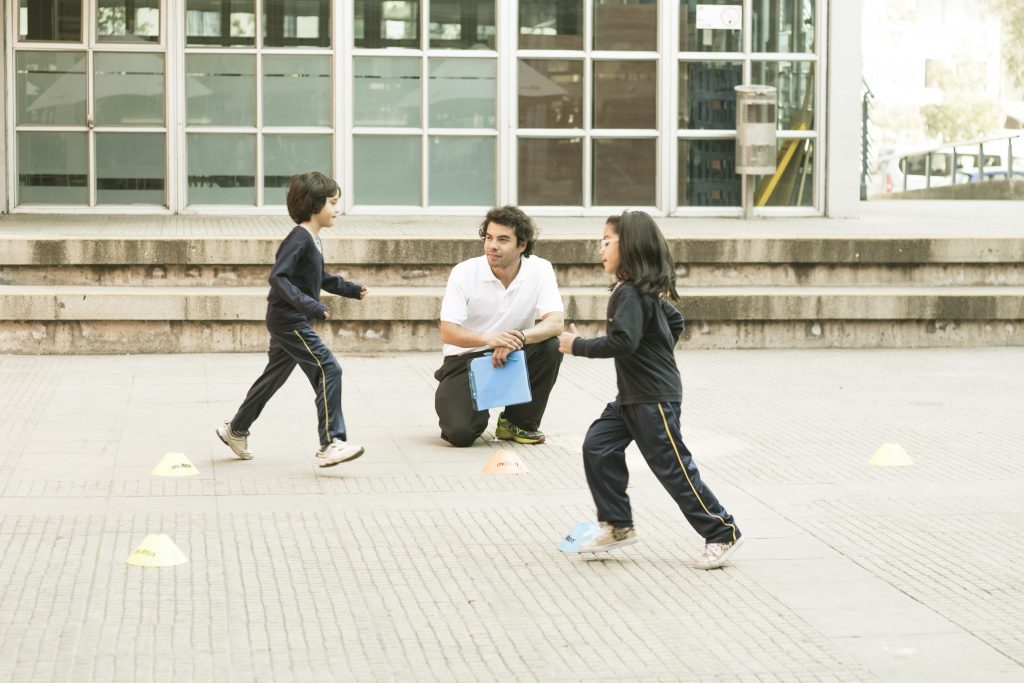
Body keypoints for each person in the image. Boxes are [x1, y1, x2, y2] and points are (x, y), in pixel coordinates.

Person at [557, 211, 743, 570]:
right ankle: (618, 525)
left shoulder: (629, 293)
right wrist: (657, 349)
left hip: (653, 399)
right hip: (632, 397)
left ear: (630, 246)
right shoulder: (637, 292)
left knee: (673, 468)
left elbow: (624, 342)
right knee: (598, 445)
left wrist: (577, 345)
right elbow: (674, 320)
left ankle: (723, 531)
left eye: (606, 241)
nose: (600, 249)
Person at [216, 171, 367, 468]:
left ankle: (235, 429)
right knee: (328, 368)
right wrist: (312, 305)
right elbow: (278, 277)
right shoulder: (299, 238)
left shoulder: (311, 239)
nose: (337, 209)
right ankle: (331, 443)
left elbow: (319, 277)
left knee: (273, 377)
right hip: (290, 320)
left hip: (289, 319)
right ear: (314, 204)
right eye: (332, 202)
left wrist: (351, 290)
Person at [435, 205, 565, 447]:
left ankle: (517, 422)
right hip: (466, 361)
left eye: (503, 240)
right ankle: (465, 405)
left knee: (552, 345)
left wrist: (518, 338)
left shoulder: (540, 269)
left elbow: (556, 322)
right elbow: (448, 331)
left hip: (513, 354)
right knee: (460, 434)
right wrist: (490, 338)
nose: (492, 246)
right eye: (489, 237)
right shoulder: (464, 272)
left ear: (522, 245)